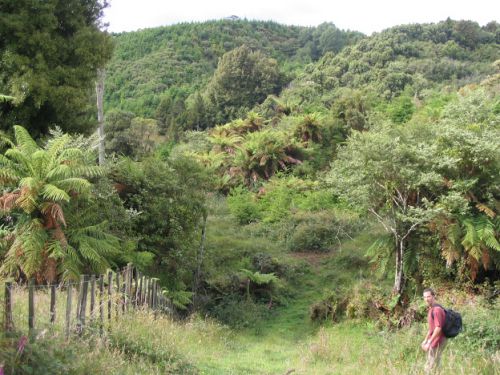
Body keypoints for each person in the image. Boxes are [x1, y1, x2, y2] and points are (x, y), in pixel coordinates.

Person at [421, 288, 447, 373]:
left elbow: (438, 328)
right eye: (425, 297)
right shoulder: (431, 309)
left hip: (438, 340)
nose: (426, 299)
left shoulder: (436, 310)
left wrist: (429, 342)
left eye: (428, 296)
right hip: (435, 339)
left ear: (433, 296)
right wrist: (425, 340)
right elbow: (431, 328)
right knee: (437, 365)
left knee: (429, 367)